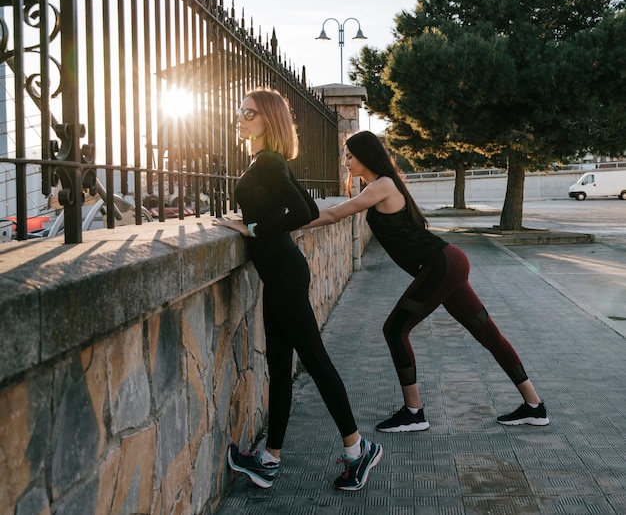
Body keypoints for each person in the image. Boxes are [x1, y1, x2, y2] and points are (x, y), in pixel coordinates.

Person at [303, 130, 549, 432]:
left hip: (442, 265)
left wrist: (281, 224)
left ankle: (414, 413)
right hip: (448, 263)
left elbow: (334, 214)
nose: (346, 162)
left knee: (394, 329)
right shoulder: (378, 186)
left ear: (366, 156)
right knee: (487, 333)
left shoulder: (382, 185)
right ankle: (535, 407)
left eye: (350, 156)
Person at [213, 89, 382, 491]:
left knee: (315, 362)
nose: (241, 117)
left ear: (267, 119)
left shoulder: (269, 161)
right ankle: (270, 460)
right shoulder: (264, 160)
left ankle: (358, 450)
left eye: (249, 113)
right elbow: (286, 206)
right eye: (240, 112)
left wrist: (251, 229)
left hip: (286, 275)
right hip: (279, 274)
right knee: (279, 367)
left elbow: (304, 212)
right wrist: (253, 222)